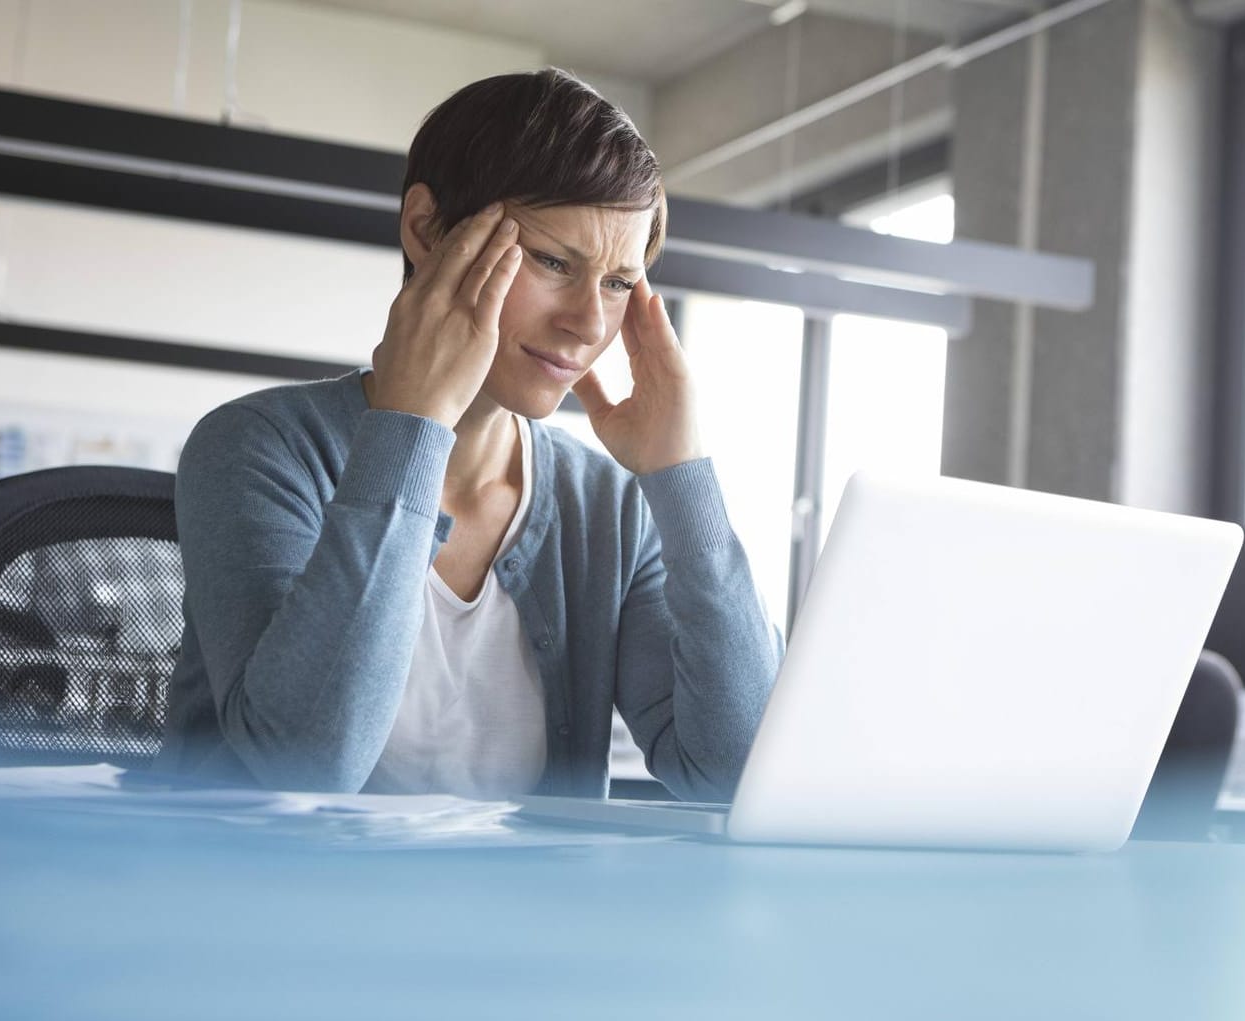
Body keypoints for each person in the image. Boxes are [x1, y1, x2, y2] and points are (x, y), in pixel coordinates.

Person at [154, 69, 783, 802]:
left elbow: (735, 773)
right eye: (554, 262)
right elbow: (305, 764)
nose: (587, 324)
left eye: (618, 282)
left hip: (519, 916)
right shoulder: (258, 446)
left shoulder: (608, 505)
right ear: (426, 229)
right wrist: (413, 429)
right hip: (273, 909)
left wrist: (681, 478)